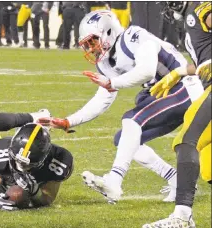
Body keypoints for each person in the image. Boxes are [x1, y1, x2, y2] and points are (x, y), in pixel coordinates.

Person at [38, 10, 204, 204]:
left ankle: (115, 180)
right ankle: (174, 177)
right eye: (87, 45)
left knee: (132, 120)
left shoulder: (133, 36)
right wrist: (68, 121)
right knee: (124, 139)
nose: (91, 49)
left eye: (92, 41)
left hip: (186, 86)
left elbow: (147, 70)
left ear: (108, 31)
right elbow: (102, 100)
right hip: (165, 93)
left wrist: (113, 83)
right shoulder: (106, 61)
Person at [143, 2, 211, 227]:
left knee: (186, 141)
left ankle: (182, 217)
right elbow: (202, 62)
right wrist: (178, 72)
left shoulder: (200, 8)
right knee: (209, 165)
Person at [0, 110, 74, 210]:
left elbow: (48, 198)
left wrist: (35, 192)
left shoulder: (58, 161)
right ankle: (32, 117)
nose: (20, 166)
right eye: (16, 159)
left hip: (1, 187)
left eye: (27, 164)